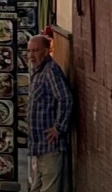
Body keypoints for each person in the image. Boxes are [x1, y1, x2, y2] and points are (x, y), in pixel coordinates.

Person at [27, 33, 73, 192]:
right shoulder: (38, 71)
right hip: (38, 147)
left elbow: (65, 98)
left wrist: (59, 127)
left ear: (46, 51)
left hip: (50, 147)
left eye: (35, 51)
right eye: (29, 51)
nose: (31, 55)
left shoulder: (50, 71)